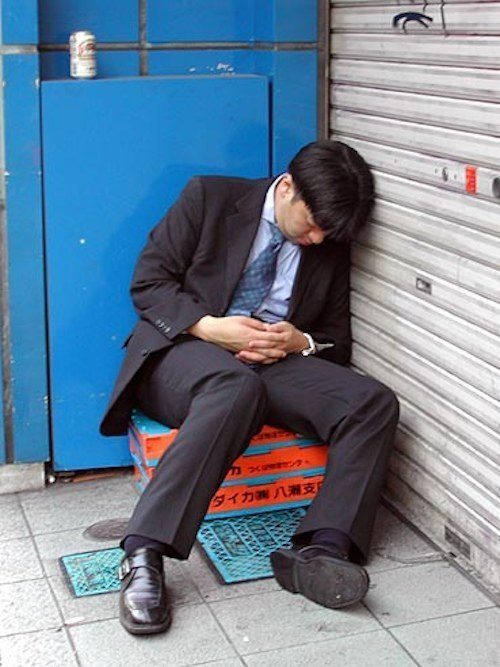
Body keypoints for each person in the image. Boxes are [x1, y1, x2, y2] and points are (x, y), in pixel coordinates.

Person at [100, 140, 399, 635]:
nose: (320, 238)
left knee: (371, 402)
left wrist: (297, 340)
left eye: (331, 230)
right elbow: (148, 284)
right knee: (235, 387)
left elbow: (334, 339)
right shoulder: (208, 199)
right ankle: (143, 554)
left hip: (268, 364)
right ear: (286, 187)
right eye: (314, 223)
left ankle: (321, 548)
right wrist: (210, 327)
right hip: (183, 355)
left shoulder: (326, 242)